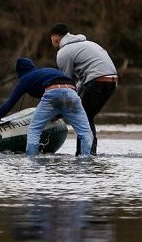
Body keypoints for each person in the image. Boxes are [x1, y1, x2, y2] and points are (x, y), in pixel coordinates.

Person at [0, 58, 93, 156]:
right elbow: (65, 95)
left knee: (34, 130)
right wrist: (58, 114)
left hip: (52, 92)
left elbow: (8, 105)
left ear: (20, 73)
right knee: (85, 131)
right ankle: (86, 159)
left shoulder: (25, 78)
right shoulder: (49, 71)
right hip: (73, 93)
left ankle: (31, 160)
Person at [50, 23, 117, 155]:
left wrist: (55, 111)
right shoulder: (87, 44)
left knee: (84, 118)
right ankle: (89, 152)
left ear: (56, 38)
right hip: (112, 80)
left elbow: (65, 85)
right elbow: (79, 85)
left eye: (51, 39)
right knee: (87, 116)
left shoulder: (64, 53)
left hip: (97, 79)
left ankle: (86, 154)